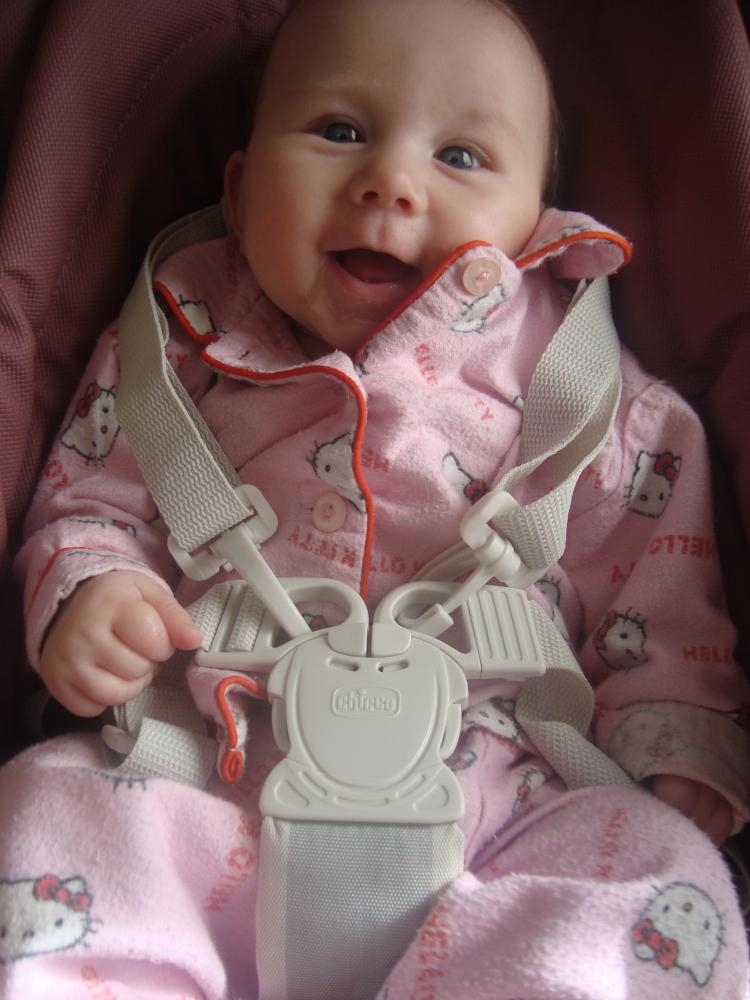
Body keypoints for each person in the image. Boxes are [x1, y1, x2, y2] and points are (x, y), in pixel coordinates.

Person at [2, 0, 749, 996]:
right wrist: (91, 590)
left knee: (661, 876)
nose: (390, 182)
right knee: (49, 806)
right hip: (209, 767)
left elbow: (655, 571)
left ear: (537, 218)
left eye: (462, 157)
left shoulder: (575, 384)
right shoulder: (177, 345)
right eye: (340, 130)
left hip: (502, 793)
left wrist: (673, 731)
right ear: (242, 188)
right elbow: (89, 500)